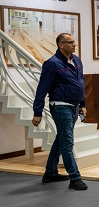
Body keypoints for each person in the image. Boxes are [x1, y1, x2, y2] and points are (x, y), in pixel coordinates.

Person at [32, 33, 88, 191]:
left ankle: (50, 173)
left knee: (61, 139)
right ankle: (75, 178)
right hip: (60, 106)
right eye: (70, 42)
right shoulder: (52, 64)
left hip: (74, 106)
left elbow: (80, 82)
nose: (74, 44)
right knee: (67, 142)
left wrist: (83, 103)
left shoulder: (77, 61)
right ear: (61, 45)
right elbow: (42, 89)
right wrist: (37, 112)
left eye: (74, 42)